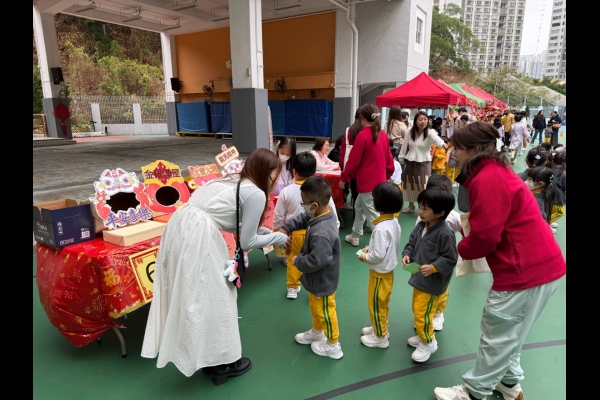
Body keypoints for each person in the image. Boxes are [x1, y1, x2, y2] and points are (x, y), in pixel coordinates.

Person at [433, 122, 566, 400]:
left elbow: (485, 237)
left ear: (474, 150)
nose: (454, 153)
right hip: (542, 266)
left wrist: (461, 246)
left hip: (523, 271)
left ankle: (474, 392)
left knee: (497, 333)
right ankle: (508, 381)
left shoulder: (487, 178)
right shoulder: (497, 170)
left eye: (458, 148)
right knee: (512, 332)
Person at [141, 148, 290, 386]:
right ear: (267, 172)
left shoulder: (230, 180)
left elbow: (220, 215)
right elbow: (247, 242)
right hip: (199, 237)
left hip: (180, 229)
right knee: (219, 298)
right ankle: (224, 362)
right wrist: (277, 238)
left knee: (198, 296)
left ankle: (206, 357)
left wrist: (260, 231)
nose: (276, 179)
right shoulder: (256, 193)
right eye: (276, 174)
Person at [279, 176, 343, 359]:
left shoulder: (322, 232)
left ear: (314, 205)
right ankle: (317, 331)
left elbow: (317, 260)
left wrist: (298, 260)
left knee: (326, 312)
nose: (303, 206)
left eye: (304, 203)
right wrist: (286, 228)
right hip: (316, 280)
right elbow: (303, 217)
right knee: (316, 307)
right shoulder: (320, 212)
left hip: (323, 281)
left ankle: (333, 345)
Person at [401, 187, 458, 362]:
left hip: (432, 283)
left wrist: (434, 267)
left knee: (422, 314)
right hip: (419, 278)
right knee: (417, 309)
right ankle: (422, 334)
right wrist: (407, 254)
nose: (420, 211)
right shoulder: (421, 226)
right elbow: (411, 243)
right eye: (420, 206)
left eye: (425, 209)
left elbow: (451, 257)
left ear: (440, 213)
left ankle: (428, 342)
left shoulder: (445, 233)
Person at [272, 152, 339, 299]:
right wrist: (336, 227)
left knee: (294, 261)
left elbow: (278, 216)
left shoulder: (286, 191)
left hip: (295, 235)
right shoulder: (322, 192)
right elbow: (330, 210)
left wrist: (278, 229)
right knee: (312, 260)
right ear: (314, 171)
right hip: (312, 232)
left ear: (294, 171)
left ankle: (292, 287)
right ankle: (312, 285)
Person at [340, 104, 395, 247]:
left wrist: (344, 177)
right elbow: (389, 160)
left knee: (373, 217)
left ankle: (382, 244)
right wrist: (387, 174)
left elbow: (353, 161)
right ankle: (355, 235)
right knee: (359, 208)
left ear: (362, 118)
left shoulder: (362, 136)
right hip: (379, 181)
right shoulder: (383, 135)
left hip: (367, 183)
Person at [357, 182, 403, 348]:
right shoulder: (393, 222)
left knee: (376, 304)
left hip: (379, 274)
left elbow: (377, 255)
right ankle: (380, 327)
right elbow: (387, 245)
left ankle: (380, 336)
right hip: (387, 272)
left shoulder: (380, 228)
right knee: (382, 303)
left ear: (377, 205)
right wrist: (372, 247)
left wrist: (365, 256)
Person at [414, 174, 462, 332]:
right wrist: (409, 254)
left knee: (441, 290)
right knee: (423, 296)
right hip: (424, 264)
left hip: (439, 267)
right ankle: (425, 318)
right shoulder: (422, 220)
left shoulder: (451, 220)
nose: (421, 210)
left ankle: (438, 313)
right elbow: (415, 240)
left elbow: (465, 231)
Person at [398, 110, 447, 213]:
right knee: (409, 184)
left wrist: (442, 144)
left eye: (425, 119)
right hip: (410, 162)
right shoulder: (410, 131)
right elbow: (404, 146)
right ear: (415, 121)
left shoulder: (430, 132)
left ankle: (423, 206)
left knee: (423, 185)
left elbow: (436, 139)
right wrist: (401, 158)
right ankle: (411, 205)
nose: (423, 122)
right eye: (420, 119)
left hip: (424, 163)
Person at [339, 109, 363, 211]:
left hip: (352, 171)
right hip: (366, 170)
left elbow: (343, 152)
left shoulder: (349, 131)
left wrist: (343, 169)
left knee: (356, 197)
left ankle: (356, 217)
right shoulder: (370, 132)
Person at [526, 166, 556, 231]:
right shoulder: (542, 192)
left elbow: (541, 218)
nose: (526, 181)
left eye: (530, 179)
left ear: (540, 184)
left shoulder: (537, 201)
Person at [549, 151, 566, 233]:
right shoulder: (563, 173)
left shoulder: (548, 169)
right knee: (560, 212)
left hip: (548, 195)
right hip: (557, 198)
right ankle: (545, 223)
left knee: (550, 210)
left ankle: (549, 222)